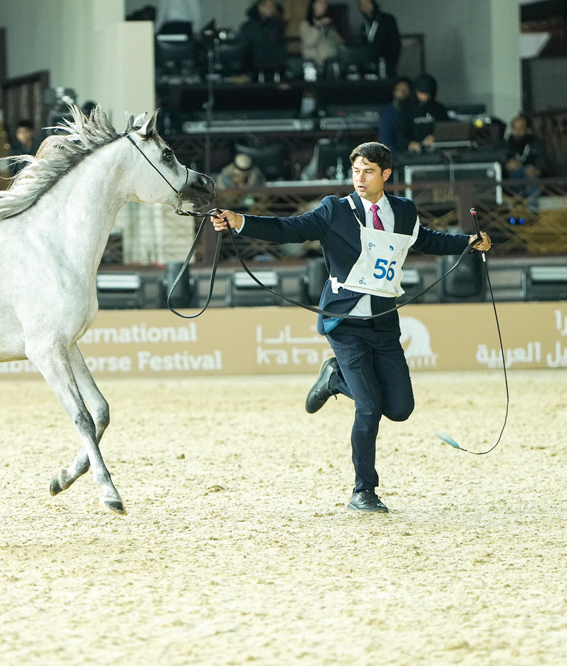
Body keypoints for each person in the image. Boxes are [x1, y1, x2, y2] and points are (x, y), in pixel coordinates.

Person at [210, 141, 492, 513]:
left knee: (401, 408)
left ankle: (334, 379)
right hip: (344, 322)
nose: (360, 178)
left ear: (386, 175)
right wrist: (240, 221)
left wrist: (468, 243)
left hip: (384, 322)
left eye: (369, 171)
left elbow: (425, 240)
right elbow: (287, 228)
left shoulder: (404, 211)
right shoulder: (334, 210)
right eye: (356, 171)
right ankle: (363, 491)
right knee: (370, 408)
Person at [238, 0, 288, 81]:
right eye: (269, 7)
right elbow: (244, 50)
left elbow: (281, 49)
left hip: (277, 72)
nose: (271, 10)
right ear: (260, 7)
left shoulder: (278, 26)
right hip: (254, 73)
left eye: (273, 7)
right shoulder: (248, 27)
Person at [398, 73, 448, 154]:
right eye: (421, 93)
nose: (424, 97)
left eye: (427, 93)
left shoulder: (439, 109)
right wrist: (410, 144)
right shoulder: (405, 109)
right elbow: (400, 135)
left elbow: (447, 130)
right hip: (412, 154)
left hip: (437, 153)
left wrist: (435, 137)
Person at [357, 0, 401, 78]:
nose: (364, 6)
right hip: (369, 69)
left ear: (373, 3)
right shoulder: (364, 26)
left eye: (367, 3)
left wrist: (389, 61)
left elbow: (395, 44)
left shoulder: (388, 20)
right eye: (361, 5)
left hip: (387, 66)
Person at [299, 0, 342, 73]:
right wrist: (318, 26)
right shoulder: (305, 25)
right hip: (313, 65)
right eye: (321, 3)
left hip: (329, 64)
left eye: (325, 3)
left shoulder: (329, 26)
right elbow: (310, 42)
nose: (324, 6)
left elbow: (336, 43)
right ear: (313, 5)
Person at [504, 113, 545, 180]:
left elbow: (545, 168)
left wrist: (537, 171)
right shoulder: (506, 145)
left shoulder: (536, 145)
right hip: (511, 183)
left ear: (528, 130)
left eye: (520, 128)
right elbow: (500, 162)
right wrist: (506, 166)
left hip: (532, 180)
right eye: (514, 128)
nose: (517, 131)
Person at [377, 76, 413, 152]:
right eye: (399, 89)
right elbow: (386, 139)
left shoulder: (414, 111)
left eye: (405, 89)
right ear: (394, 91)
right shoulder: (388, 113)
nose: (402, 92)